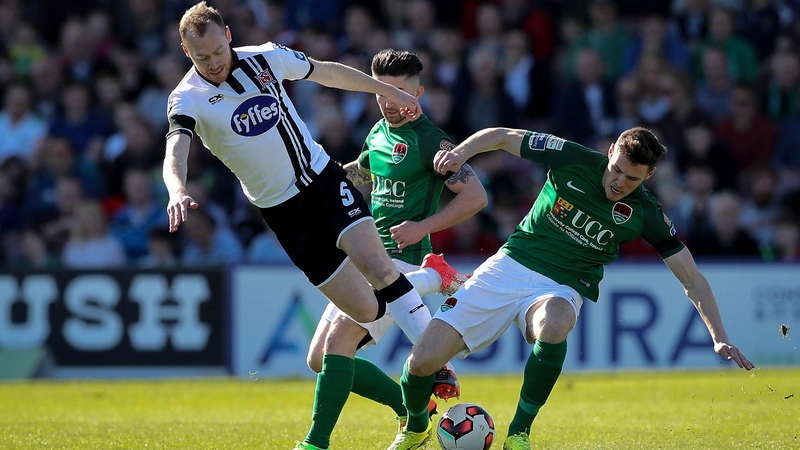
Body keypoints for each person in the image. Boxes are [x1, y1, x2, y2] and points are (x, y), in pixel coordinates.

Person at [163, 1, 437, 440]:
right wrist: (177, 189)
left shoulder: (266, 58)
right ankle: (426, 289)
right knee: (367, 310)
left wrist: (387, 91)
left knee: (378, 267)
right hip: (284, 215)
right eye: (201, 56)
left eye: (217, 51)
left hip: (324, 183)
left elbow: (327, 72)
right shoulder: (187, 98)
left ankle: (436, 368)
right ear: (185, 51)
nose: (213, 62)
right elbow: (175, 148)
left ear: (228, 36)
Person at [388, 126, 754, 450]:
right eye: (617, 170)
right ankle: (417, 427)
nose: (619, 183)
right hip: (509, 266)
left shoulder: (646, 212)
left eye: (632, 179)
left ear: (649, 175)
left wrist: (718, 337)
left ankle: (519, 434)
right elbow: (502, 136)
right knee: (420, 364)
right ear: (610, 151)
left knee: (556, 322)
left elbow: (692, 278)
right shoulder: (571, 157)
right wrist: (461, 152)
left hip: (561, 285)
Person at [297, 49, 488, 450]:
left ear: (417, 93)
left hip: (401, 263)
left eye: (399, 93)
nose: (389, 102)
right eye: (382, 92)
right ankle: (412, 411)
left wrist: (423, 227)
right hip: (365, 258)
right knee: (318, 359)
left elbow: (475, 196)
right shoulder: (378, 132)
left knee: (339, 343)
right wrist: (316, 186)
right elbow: (362, 171)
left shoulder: (430, 141)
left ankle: (316, 443)